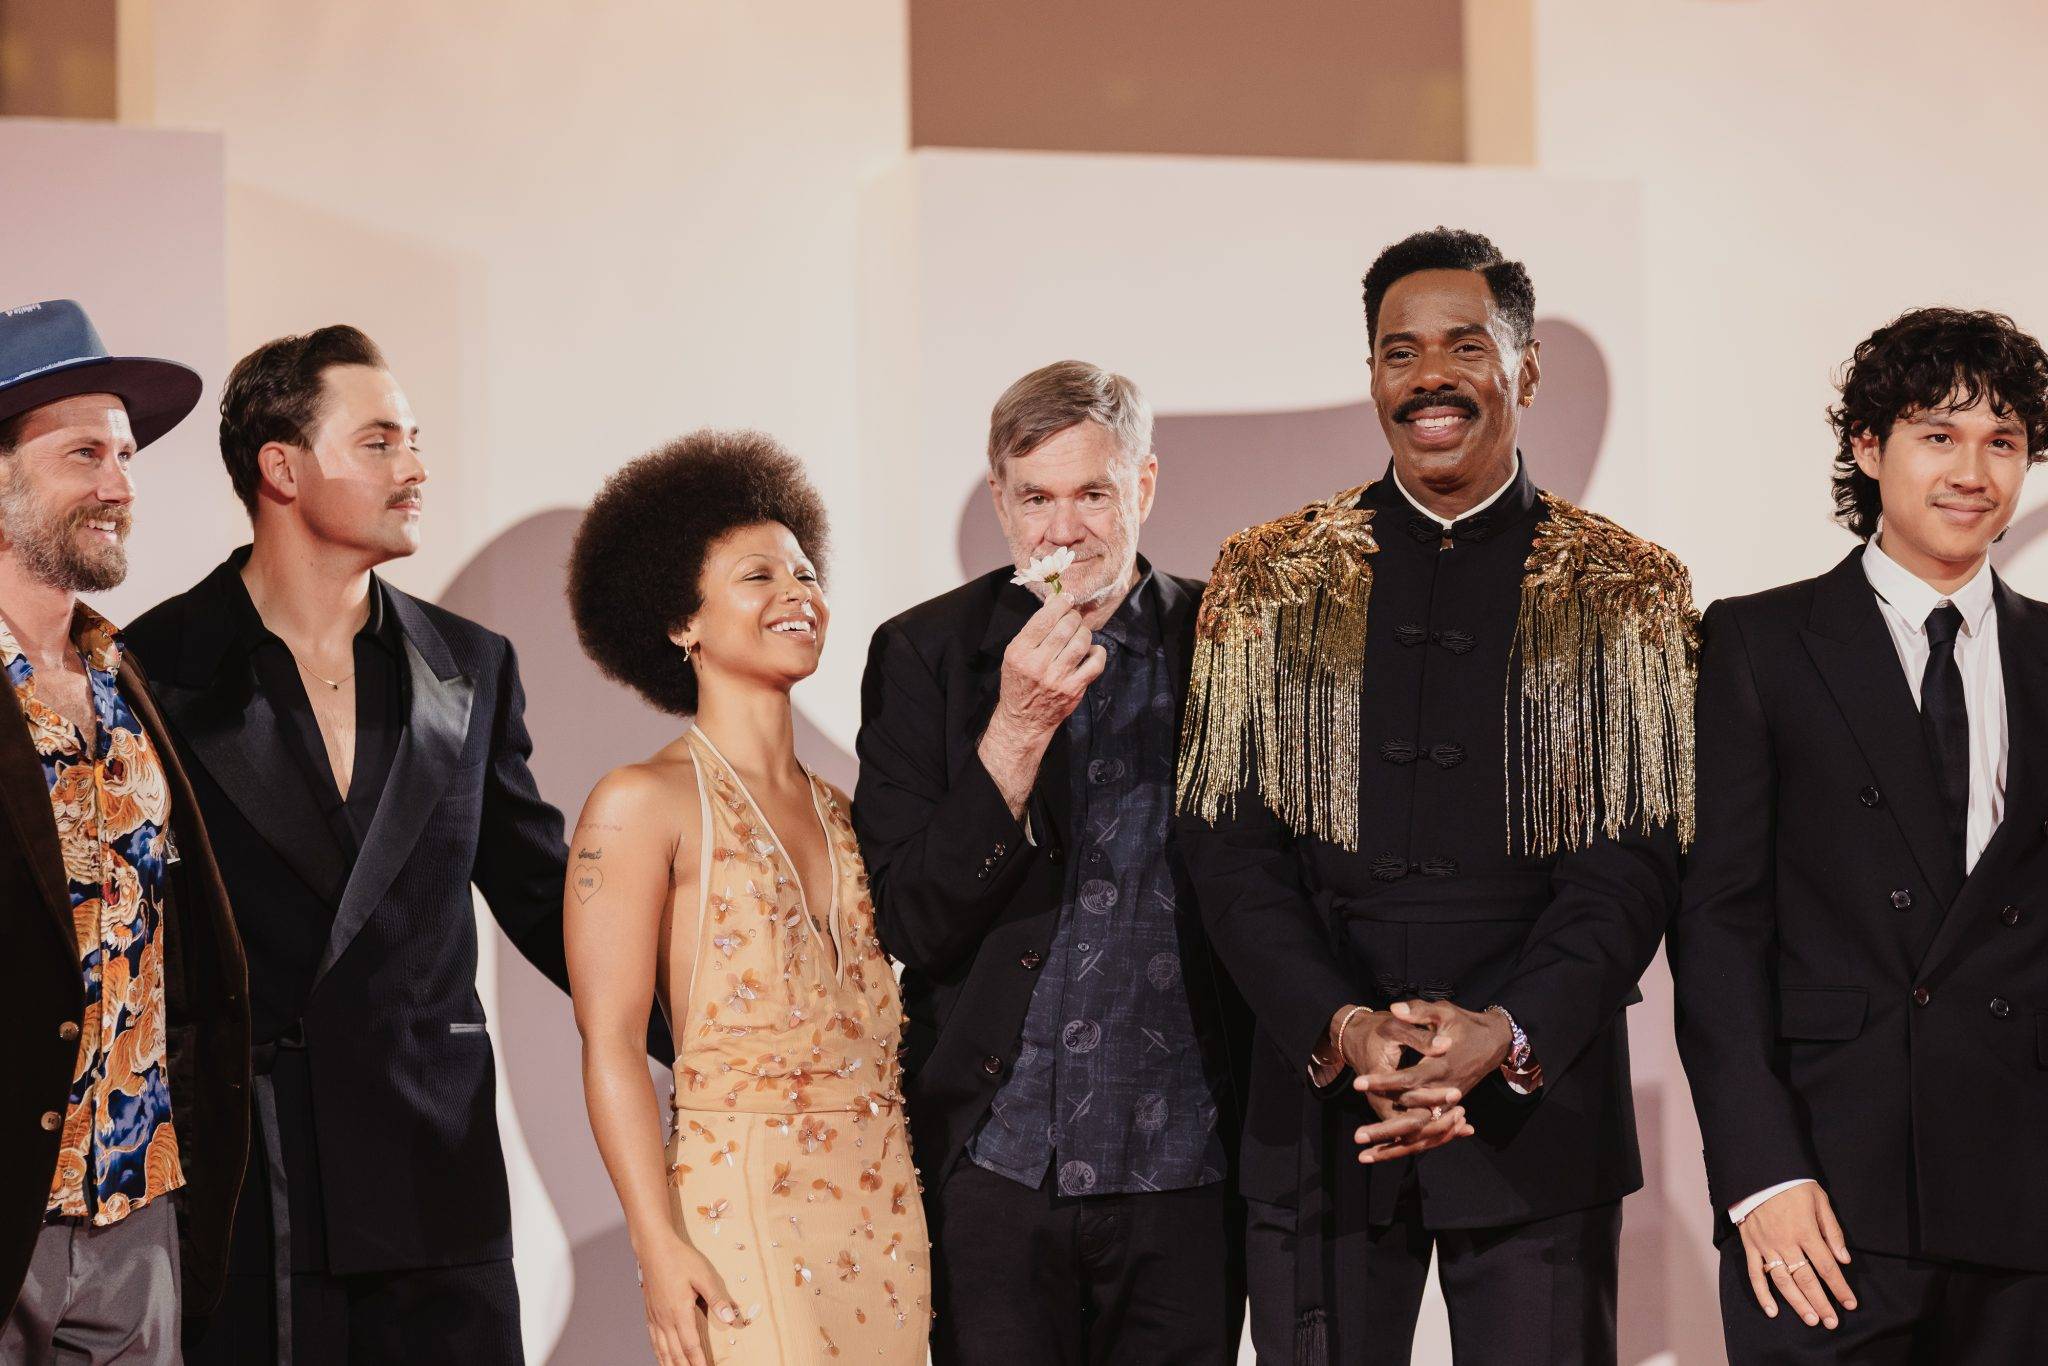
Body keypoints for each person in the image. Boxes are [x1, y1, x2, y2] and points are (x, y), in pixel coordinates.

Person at [1175, 228, 1692, 1365]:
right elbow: (1227, 849)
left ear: (1526, 368)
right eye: (1398, 353)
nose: (1429, 379)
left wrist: (1504, 1032)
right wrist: (1344, 1027)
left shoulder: (1627, 587)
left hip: (1537, 1124)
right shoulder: (1267, 576)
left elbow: (1633, 862)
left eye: (1465, 346)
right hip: (1321, 1119)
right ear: (1371, 375)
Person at [126, 325, 579, 1365]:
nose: (414, 468)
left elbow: (544, 896)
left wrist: (720, 1041)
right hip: (252, 1183)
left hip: (436, 1175)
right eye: (378, 442)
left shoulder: (471, 664)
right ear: (281, 469)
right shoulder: (152, 668)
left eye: (414, 440)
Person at [1672, 307, 2048, 1362]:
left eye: (2002, 440)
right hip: (1824, 1194)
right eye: (1938, 434)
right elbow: (1716, 927)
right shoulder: (1757, 642)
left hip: (2025, 1197)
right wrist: (1759, 1173)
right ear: (1869, 447)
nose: (1971, 471)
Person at [854, 359, 1248, 1365]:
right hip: (994, 1167)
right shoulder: (924, 654)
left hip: (1189, 1167)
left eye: (1093, 495)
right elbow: (909, 920)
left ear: (1144, 485)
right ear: (1000, 500)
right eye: (1036, 499)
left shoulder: (1233, 645)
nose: (1063, 530)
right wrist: (1016, 731)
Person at [565, 429, 930, 1366]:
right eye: (757, 576)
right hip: (740, 1213)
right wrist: (655, 1242)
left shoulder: (848, 811)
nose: (797, 594)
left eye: (805, 572)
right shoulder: (638, 802)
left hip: (888, 1216)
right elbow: (610, 1043)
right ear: (679, 622)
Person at [0, 299, 249, 1363]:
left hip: (136, 1206)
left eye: (127, 455)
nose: (120, 485)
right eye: (84, 454)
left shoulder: (123, 679)